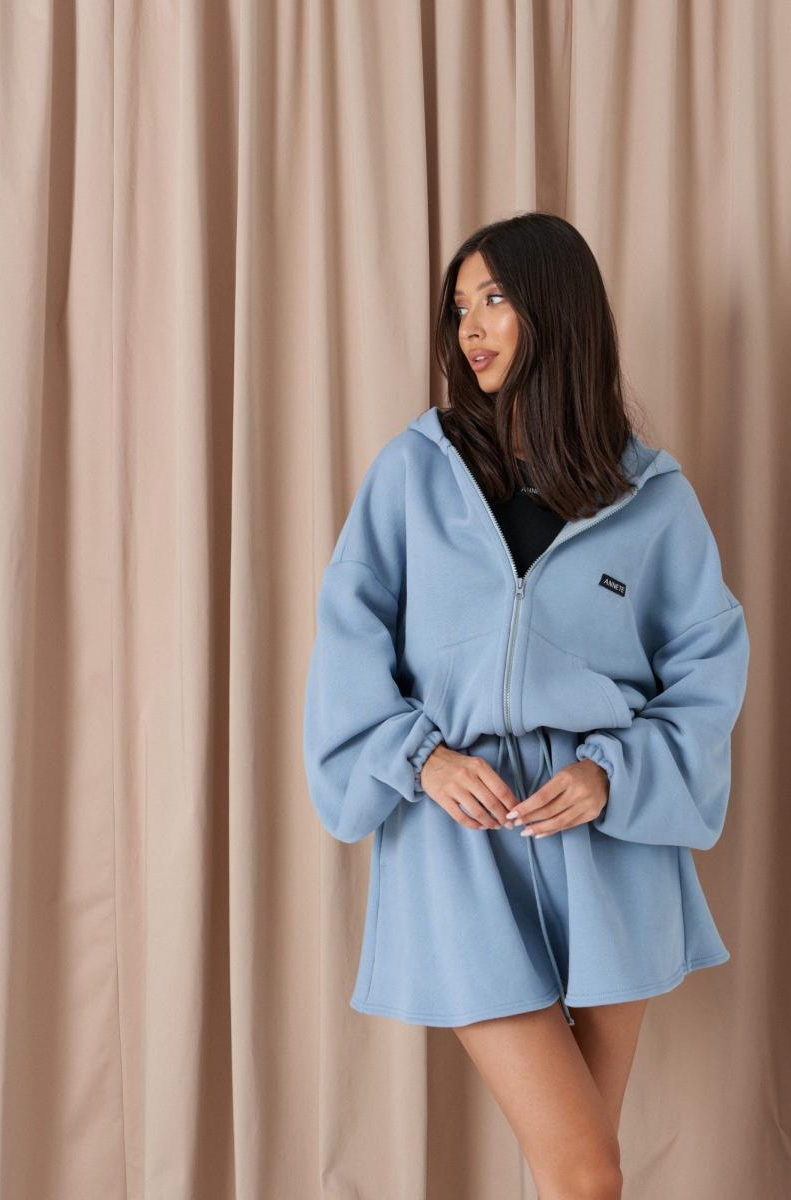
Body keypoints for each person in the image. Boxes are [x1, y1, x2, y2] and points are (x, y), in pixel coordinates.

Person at [302, 212, 750, 1198]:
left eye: (494, 298)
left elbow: (706, 672)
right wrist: (418, 757)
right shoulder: (413, 473)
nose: (470, 326)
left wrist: (612, 775)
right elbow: (347, 642)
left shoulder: (649, 495)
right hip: (462, 834)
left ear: (556, 307)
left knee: (576, 1174)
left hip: (607, 842)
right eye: (460, 306)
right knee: (584, 1170)